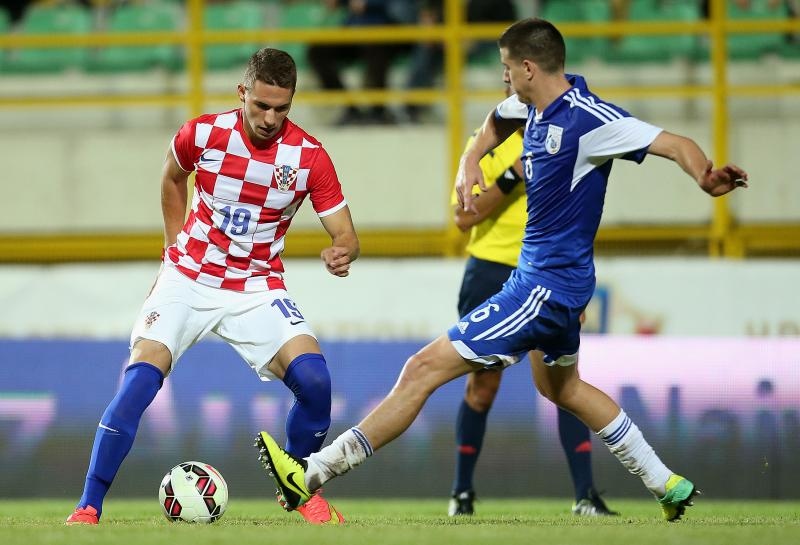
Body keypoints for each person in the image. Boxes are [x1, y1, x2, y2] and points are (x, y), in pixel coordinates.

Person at [254, 18, 748, 522]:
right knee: (563, 389)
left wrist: (705, 176)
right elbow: (495, 119)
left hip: (542, 289)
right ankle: (666, 483)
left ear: (529, 67)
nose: (504, 78)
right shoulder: (530, 106)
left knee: (422, 369)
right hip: (553, 284)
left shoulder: (590, 120)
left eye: (508, 68)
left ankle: (309, 474)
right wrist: (472, 161)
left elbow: (673, 142)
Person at [65, 48, 359, 526]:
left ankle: (298, 486)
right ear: (242, 93)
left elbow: (345, 231)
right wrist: (172, 247)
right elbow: (172, 177)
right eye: (261, 105)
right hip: (189, 277)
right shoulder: (202, 133)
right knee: (139, 381)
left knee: (316, 381)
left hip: (257, 284)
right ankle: (89, 505)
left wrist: (343, 249)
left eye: (280, 108)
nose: (269, 118)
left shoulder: (309, 157)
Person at [448, 108, 616, 517]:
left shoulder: (569, 139)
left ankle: (585, 495)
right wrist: (512, 175)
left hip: (549, 273)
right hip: (492, 268)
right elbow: (462, 217)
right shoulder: (485, 143)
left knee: (562, 383)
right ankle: (462, 492)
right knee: (483, 386)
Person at [307, 0, 402, 125]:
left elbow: (401, 6)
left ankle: (379, 111)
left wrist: (368, 4)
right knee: (318, 51)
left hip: (381, 30)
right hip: (352, 30)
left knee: (378, 50)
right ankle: (349, 107)